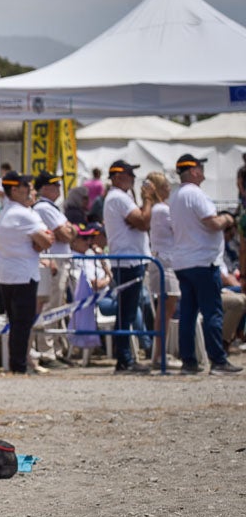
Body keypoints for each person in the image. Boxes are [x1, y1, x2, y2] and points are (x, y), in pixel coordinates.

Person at [169, 154, 242, 374]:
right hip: (202, 260)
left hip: (183, 261)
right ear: (193, 171)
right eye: (200, 168)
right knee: (212, 312)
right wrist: (228, 219)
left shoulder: (175, 196)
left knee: (188, 315)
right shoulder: (196, 194)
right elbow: (212, 223)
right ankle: (218, 360)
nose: (202, 171)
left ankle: (189, 361)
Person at [0, 171, 54, 374]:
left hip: (7, 275)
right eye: (26, 187)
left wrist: (38, 243)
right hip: (24, 275)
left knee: (16, 324)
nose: (30, 190)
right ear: (15, 189)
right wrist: (40, 243)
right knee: (23, 324)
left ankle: (17, 364)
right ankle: (19, 365)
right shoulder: (23, 213)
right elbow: (46, 240)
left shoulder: (6, 211)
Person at [103, 160, 154, 374]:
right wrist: (148, 200)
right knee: (126, 313)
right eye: (129, 174)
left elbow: (139, 221)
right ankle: (124, 359)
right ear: (117, 177)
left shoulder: (121, 197)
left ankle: (125, 357)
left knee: (129, 312)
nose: (133, 178)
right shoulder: (118, 197)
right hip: (127, 261)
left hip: (130, 260)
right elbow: (143, 222)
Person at [31, 171, 76, 368]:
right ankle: (47, 352)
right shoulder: (44, 207)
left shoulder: (51, 207)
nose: (59, 188)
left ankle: (55, 349)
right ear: (44, 188)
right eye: (55, 185)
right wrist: (69, 229)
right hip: (53, 261)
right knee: (50, 308)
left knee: (58, 308)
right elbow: (66, 234)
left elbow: (71, 232)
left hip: (60, 259)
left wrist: (70, 229)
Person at [143, 172, 181, 369]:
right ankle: (158, 355)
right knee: (165, 310)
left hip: (167, 260)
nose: (169, 188)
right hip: (164, 261)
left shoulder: (162, 208)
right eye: (165, 185)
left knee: (167, 309)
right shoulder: (161, 210)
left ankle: (160, 353)